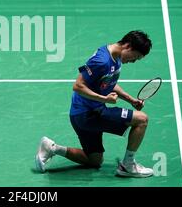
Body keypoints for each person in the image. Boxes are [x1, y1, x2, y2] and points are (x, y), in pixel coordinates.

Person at [35, 30, 154, 177]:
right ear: (128, 46)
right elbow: (78, 86)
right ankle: (128, 165)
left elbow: (107, 82)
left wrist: (130, 100)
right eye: (135, 57)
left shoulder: (115, 55)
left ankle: (52, 148)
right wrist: (104, 99)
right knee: (142, 120)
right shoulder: (102, 60)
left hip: (80, 115)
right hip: (89, 114)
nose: (133, 61)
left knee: (94, 160)